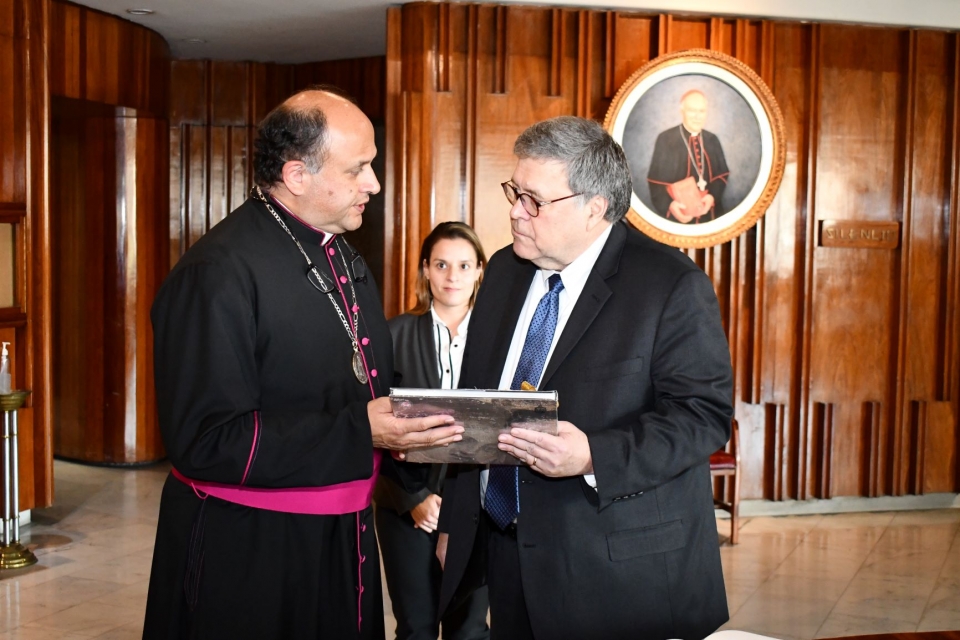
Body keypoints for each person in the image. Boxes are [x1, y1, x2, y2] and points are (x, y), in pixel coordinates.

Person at [143, 87, 463, 640]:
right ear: (297, 176)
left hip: (344, 538)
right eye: (359, 167)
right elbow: (206, 441)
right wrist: (362, 430)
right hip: (253, 550)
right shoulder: (217, 274)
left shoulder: (341, 255)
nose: (375, 184)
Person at [435, 116, 733, 640]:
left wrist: (595, 454)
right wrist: (457, 523)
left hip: (615, 570)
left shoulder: (670, 286)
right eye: (514, 192)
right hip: (510, 557)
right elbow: (479, 401)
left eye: (533, 199)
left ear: (594, 207)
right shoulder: (504, 270)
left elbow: (703, 418)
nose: (514, 211)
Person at [374, 221, 490, 640]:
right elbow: (376, 428)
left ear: (480, 270)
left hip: (476, 509)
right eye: (441, 264)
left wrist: (464, 506)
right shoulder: (392, 335)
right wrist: (414, 499)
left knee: (469, 630)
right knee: (416, 627)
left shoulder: (498, 339)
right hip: (406, 507)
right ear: (425, 269)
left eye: (464, 265)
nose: (452, 276)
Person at [647, 90, 730, 223]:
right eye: (692, 110)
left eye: (701, 111)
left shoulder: (712, 139)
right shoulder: (666, 139)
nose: (697, 116)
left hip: (710, 214)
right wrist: (670, 206)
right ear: (682, 110)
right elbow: (655, 182)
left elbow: (722, 174)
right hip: (678, 215)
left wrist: (712, 197)